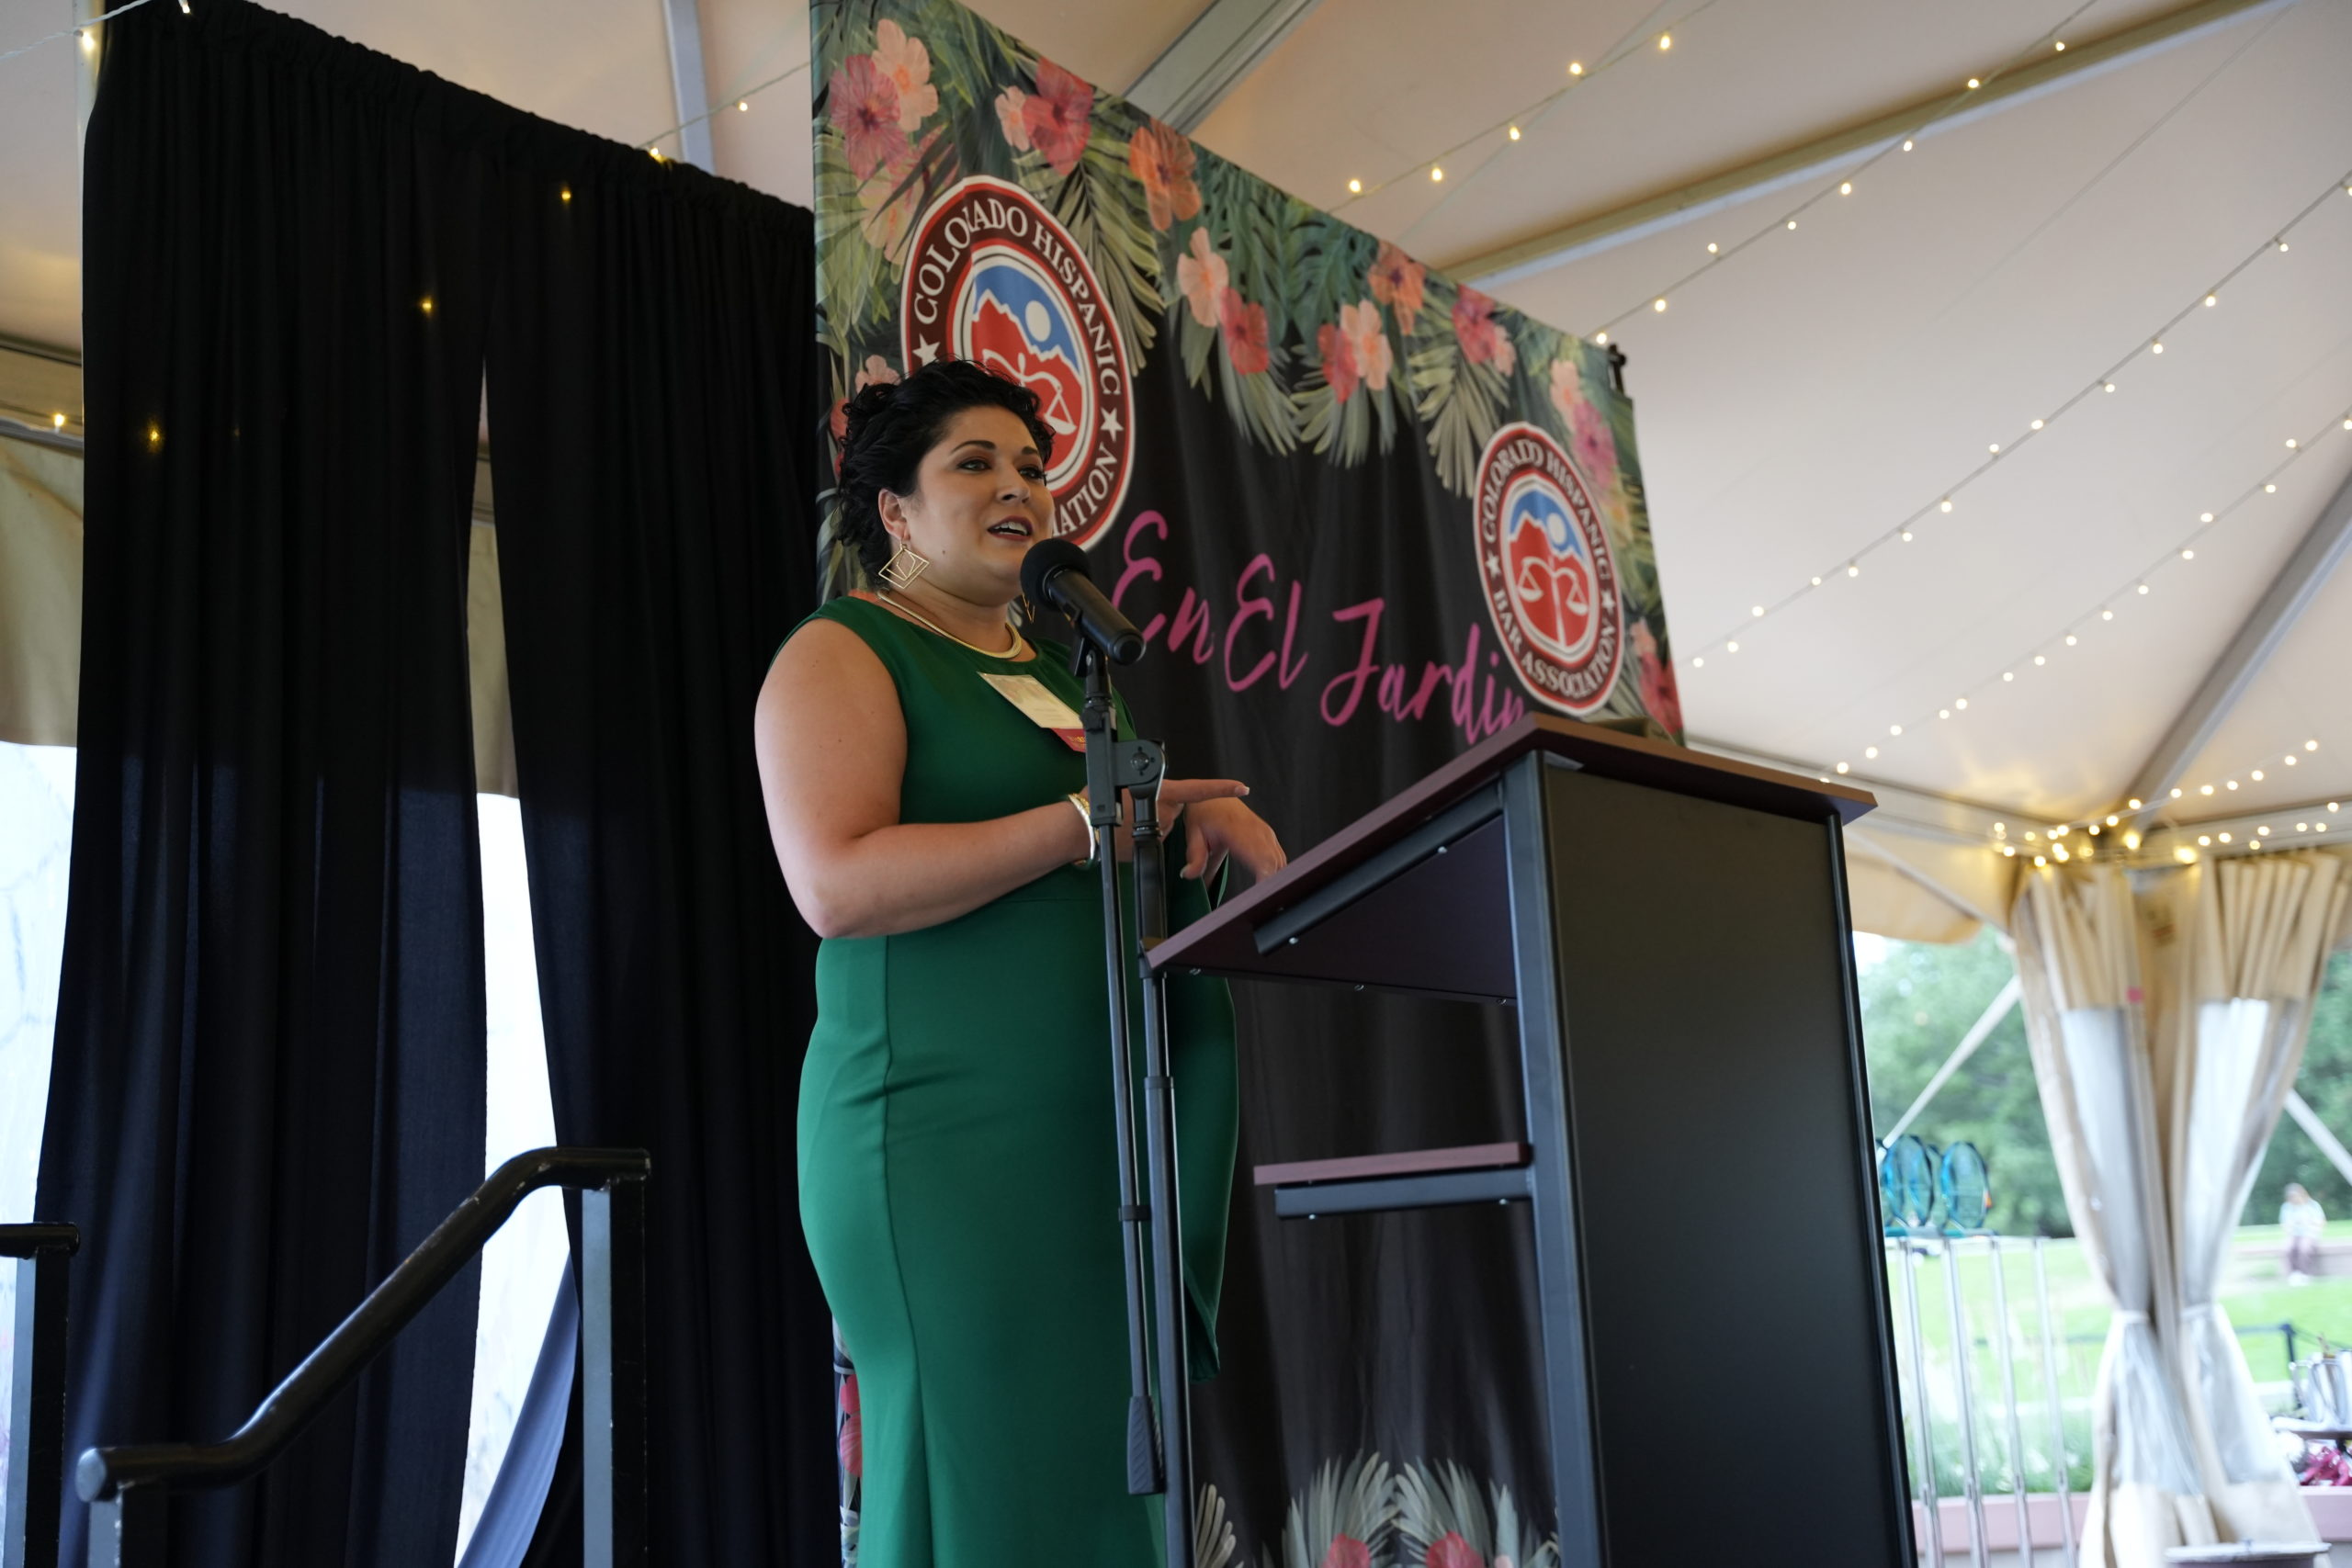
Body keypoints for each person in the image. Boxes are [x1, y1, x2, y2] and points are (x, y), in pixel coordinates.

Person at [754, 358, 1286, 1566]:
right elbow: (834, 883)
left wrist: (1193, 841)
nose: (1020, 487)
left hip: (1095, 1153)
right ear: (894, 511)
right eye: (975, 463)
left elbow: (1091, 874)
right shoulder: (847, 650)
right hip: (940, 1145)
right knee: (975, 1481)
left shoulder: (1063, 674)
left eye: (1035, 467)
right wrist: (1086, 825)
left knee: (1095, 1483)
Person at [2282, 1182, 2326, 1284]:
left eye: (2295, 1196)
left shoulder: (2312, 1205)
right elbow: (2285, 1225)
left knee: (2304, 1248)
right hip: (2294, 1234)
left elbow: (2321, 1222)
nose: (2294, 1199)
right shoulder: (2287, 1207)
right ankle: (2294, 1274)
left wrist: (2309, 1223)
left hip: (2309, 1233)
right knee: (2288, 1248)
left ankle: (2305, 1273)